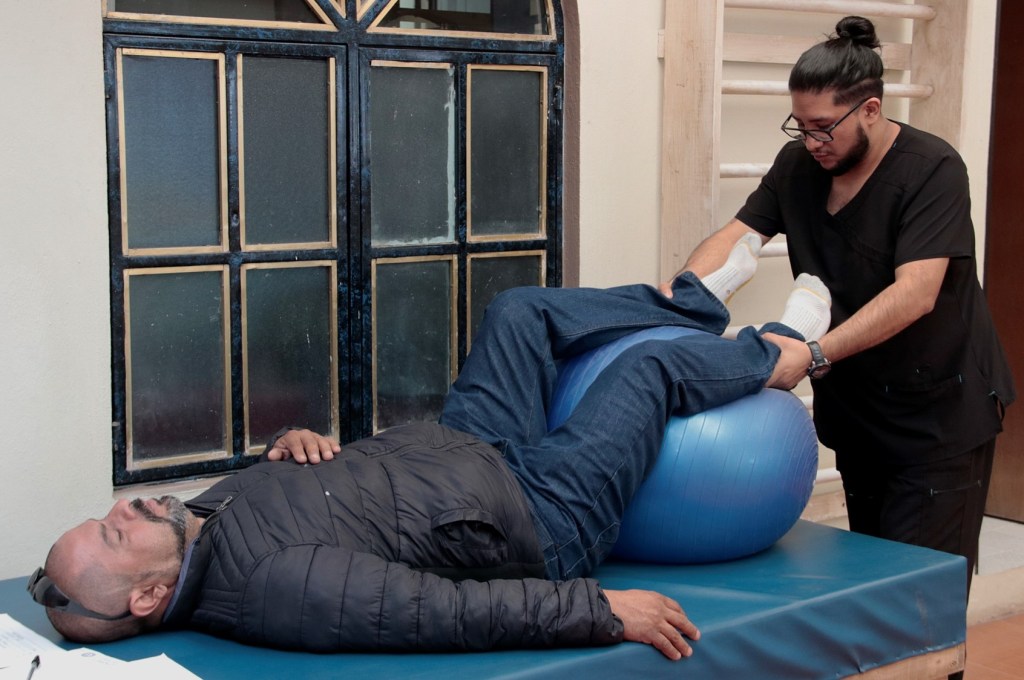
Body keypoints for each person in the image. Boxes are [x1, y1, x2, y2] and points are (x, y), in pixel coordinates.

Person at [29, 248, 831, 661]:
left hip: (465, 449)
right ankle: (780, 350)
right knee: (646, 370)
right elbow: (434, 611)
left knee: (519, 310)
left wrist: (289, 448)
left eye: (103, 517)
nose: (123, 508)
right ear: (148, 598)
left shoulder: (198, 528)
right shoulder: (276, 587)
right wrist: (602, 612)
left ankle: (692, 304)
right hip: (539, 516)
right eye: (114, 534)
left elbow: (310, 506)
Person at [661, 16, 1016, 601]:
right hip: (860, 415)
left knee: (919, 601)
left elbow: (917, 291)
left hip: (938, 418)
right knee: (870, 590)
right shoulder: (798, 166)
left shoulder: (931, 169)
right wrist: (681, 296)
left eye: (824, 127)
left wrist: (813, 352)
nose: (811, 142)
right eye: (800, 126)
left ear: (870, 109)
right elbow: (738, 236)